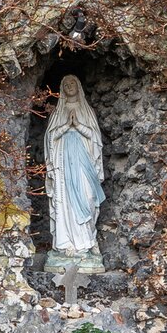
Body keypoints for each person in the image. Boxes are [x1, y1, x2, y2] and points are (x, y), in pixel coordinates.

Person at [43, 74, 105, 272]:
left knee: (88, 197)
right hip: (63, 165)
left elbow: (95, 138)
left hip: (84, 163)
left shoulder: (87, 111)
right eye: (66, 84)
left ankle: (86, 242)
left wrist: (77, 125)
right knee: (65, 202)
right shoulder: (57, 112)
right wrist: (65, 127)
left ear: (79, 86)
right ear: (62, 89)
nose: (69, 86)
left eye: (72, 83)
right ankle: (66, 244)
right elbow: (50, 138)